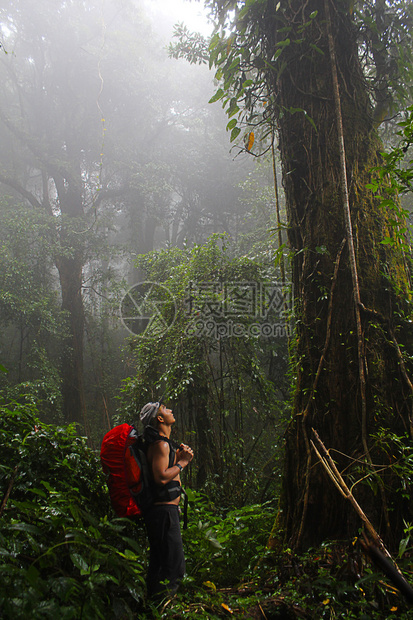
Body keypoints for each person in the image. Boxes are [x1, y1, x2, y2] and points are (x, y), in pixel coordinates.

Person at [139, 401, 194, 601]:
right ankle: (163, 609)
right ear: (160, 419)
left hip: (164, 513)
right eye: (165, 408)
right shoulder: (161, 445)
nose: (170, 409)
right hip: (163, 514)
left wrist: (177, 457)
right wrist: (183, 462)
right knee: (174, 566)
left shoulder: (163, 444)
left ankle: (151, 607)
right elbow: (161, 477)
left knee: (159, 563)